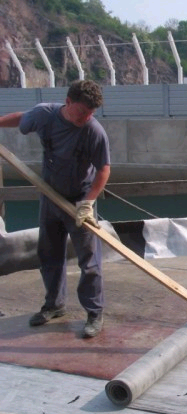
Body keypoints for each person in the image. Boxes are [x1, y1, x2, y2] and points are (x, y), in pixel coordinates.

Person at [0, 80, 111, 338]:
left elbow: (104, 170)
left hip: (79, 201)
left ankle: (94, 312)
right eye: (82, 112)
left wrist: (88, 203)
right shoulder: (45, 115)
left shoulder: (94, 131)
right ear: (68, 102)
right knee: (49, 254)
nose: (87, 117)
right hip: (50, 197)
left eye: (91, 113)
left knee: (89, 261)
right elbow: (21, 119)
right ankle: (54, 305)